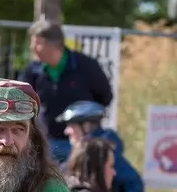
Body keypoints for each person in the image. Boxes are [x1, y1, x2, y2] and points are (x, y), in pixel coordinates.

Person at [20, 21, 113, 164]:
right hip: (48, 143)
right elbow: (21, 99)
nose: (32, 48)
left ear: (54, 44)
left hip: (83, 142)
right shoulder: (32, 71)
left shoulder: (86, 66)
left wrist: (85, 121)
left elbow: (105, 97)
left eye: (37, 43)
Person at [56, 100, 144, 192]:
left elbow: (135, 183)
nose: (67, 131)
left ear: (87, 126)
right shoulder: (81, 150)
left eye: (71, 125)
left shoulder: (103, 153)